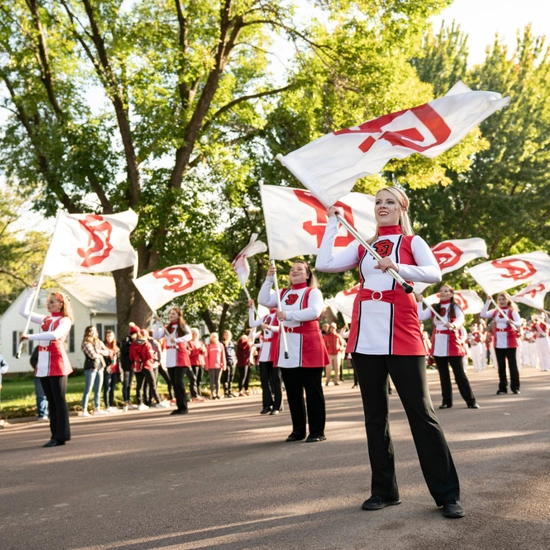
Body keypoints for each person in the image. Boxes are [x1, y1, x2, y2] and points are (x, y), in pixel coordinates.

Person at [316, 186, 463, 519]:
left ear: (402, 208)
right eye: (378, 202)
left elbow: (434, 273)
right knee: (374, 416)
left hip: (403, 332)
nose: (383, 206)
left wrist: (397, 265)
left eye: (389, 202)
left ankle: (447, 494)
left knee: (421, 414)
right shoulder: (362, 244)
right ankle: (384, 490)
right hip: (366, 333)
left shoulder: (413, 242)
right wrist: (332, 225)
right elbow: (324, 264)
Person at [258, 260, 329, 443]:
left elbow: (314, 312)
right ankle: (298, 430)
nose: (295, 272)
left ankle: (317, 431)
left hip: (308, 344)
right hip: (287, 345)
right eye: (292, 269)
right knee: (293, 391)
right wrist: (268, 278)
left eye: (300, 269)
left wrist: (288, 315)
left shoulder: (313, 292)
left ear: (307, 274)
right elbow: (263, 300)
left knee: (313, 390)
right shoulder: (283, 293)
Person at [19, 288, 73, 447]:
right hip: (43, 363)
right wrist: (31, 293)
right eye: (48, 302)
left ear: (61, 304)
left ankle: (61, 436)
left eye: (52, 302)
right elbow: (24, 312)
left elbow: (54, 336)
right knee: (51, 401)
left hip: (57, 361)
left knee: (58, 400)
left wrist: (30, 337)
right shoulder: (45, 319)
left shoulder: (65, 320)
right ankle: (54, 435)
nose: (48, 304)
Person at [418, 285, 478, 409]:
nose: (443, 293)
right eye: (441, 291)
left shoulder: (454, 307)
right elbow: (421, 316)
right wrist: (419, 302)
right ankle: (446, 401)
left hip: (452, 342)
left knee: (459, 374)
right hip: (438, 343)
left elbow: (460, 319)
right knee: (443, 375)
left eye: (446, 291)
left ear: (451, 294)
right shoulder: (434, 307)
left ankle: (471, 401)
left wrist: (453, 325)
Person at [481, 293, 522, 394]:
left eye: (503, 299)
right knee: (501, 366)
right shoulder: (495, 311)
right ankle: (502, 387)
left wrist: (512, 322)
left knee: (512, 365)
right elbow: (483, 314)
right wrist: (488, 301)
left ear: (508, 300)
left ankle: (515, 387)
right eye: (499, 299)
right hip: (498, 341)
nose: (501, 301)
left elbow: (519, 322)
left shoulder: (512, 312)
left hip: (510, 341)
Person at [154, 308, 192, 415]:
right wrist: (158, 324)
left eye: (173, 314)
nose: (171, 315)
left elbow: (189, 336)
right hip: (170, 357)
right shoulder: (167, 327)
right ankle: (179, 407)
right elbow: (156, 336)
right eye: (170, 314)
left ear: (179, 315)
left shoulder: (183, 326)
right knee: (174, 383)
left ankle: (184, 407)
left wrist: (177, 340)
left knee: (179, 383)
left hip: (180, 356)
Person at [248, 299, 283, 415]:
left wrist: (269, 327)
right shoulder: (265, 316)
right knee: (264, 379)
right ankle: (267, 404)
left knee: (276, 379)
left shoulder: (280, 314)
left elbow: (282, 328)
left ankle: (277, 405)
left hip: (275, 348)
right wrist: (251, 308)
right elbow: (252, 323)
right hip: (265, 349)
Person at [129, 328, 169, 410]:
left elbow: (131, 356)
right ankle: (158, 401)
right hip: (147, 366)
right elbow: (150, 356)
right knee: (153, 383)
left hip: (137, 366)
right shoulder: (146, 344)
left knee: (139, 385)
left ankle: (140, 403)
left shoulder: (133, 344)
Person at [81, 326, 110, 416]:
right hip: (91, 368)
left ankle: (97, 408)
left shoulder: (98, 342)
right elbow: (92, 355)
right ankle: (84, 410)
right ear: (88, 332)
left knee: (98, 389)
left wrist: (99, 352)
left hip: (100, 367)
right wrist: (100, 354)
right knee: (88, 389)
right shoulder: (86, 343)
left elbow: (107, 352)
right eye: (91, 331)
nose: (93, 333)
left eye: (94, 331)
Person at [120, 324, 139, 411]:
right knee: (126, 383)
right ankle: (126, 401)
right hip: (126, 365)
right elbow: (123, 351)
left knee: (130, 384)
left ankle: (128, 400)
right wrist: (130, 343)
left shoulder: (136, 341)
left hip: (132, 365)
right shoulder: (126, 340)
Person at [103, 330, 121, 412]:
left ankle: (111, 404)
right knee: (107, 388)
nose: (109, 338)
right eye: (107, 336)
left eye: (110, 336)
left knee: (112, 388)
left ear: (113, 337)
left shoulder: (116, 347)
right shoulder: (104, 346)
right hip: (108, 370)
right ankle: (107, 405)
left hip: (115, 370)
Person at [30, 346, 49, 422]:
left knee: (50, 395)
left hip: (51, 374)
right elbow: (32, 360)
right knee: (41, 395)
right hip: (40, 374)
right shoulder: (39, 348)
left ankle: (51, 414)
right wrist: (39, 368)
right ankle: (42, 415)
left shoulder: (54, 348)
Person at [205, 332, 226, 399]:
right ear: (210, 338)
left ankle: (217, 393)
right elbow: (206, 356)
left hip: (219, 365)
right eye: (213, 337)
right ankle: (212, 393)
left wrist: (224, 364)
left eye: (215, 337)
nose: (214, 338)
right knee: (212, 380)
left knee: (218, 380)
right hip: (211, 366)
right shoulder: (208, 346)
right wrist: (207, 365)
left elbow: (223, 356)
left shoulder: (220, 345)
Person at [188, 328, 207, 401]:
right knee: (193, 380)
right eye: (194, 333)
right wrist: (198, 350)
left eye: (196, 333)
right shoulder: (189, 342)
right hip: (193, 363)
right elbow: (190, 354)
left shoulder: (200, 342)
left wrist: (203, 350)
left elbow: (205, 354)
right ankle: (194, 395)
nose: (195, 334)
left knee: (199, 380)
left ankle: (199, 394)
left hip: (201, 362)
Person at [222, 330, 237, 397]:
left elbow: (233, 352)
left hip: (232, 361)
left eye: (228, 335)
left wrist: (235, 359)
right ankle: (226, 392)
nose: (227, 336)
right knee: (226, 377)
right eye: (225, 335)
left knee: (231, 376)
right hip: (226, 361)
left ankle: (230, 391)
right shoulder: (222, 344)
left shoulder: (232, 343)